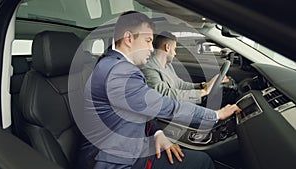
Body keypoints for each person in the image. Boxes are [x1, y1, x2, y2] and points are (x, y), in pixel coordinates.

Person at [82, 11, 241, 169]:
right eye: (148, 41)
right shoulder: (118, 73)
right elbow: (165, 105)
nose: (152, 48)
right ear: (129, 39)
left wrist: (157, 133)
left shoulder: (119, 67)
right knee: (202, 162)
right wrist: (215, 115)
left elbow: (140, 108)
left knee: (198, 159)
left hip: (132, 147)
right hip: (116, 161)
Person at [141, 31, 225, 104]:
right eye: (174, 49)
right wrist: (201, 93)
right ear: (167, 47)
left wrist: (201, 86)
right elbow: (163, 94)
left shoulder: (167, 65)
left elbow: (180, 85)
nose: (175, 53)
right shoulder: (148, 67)